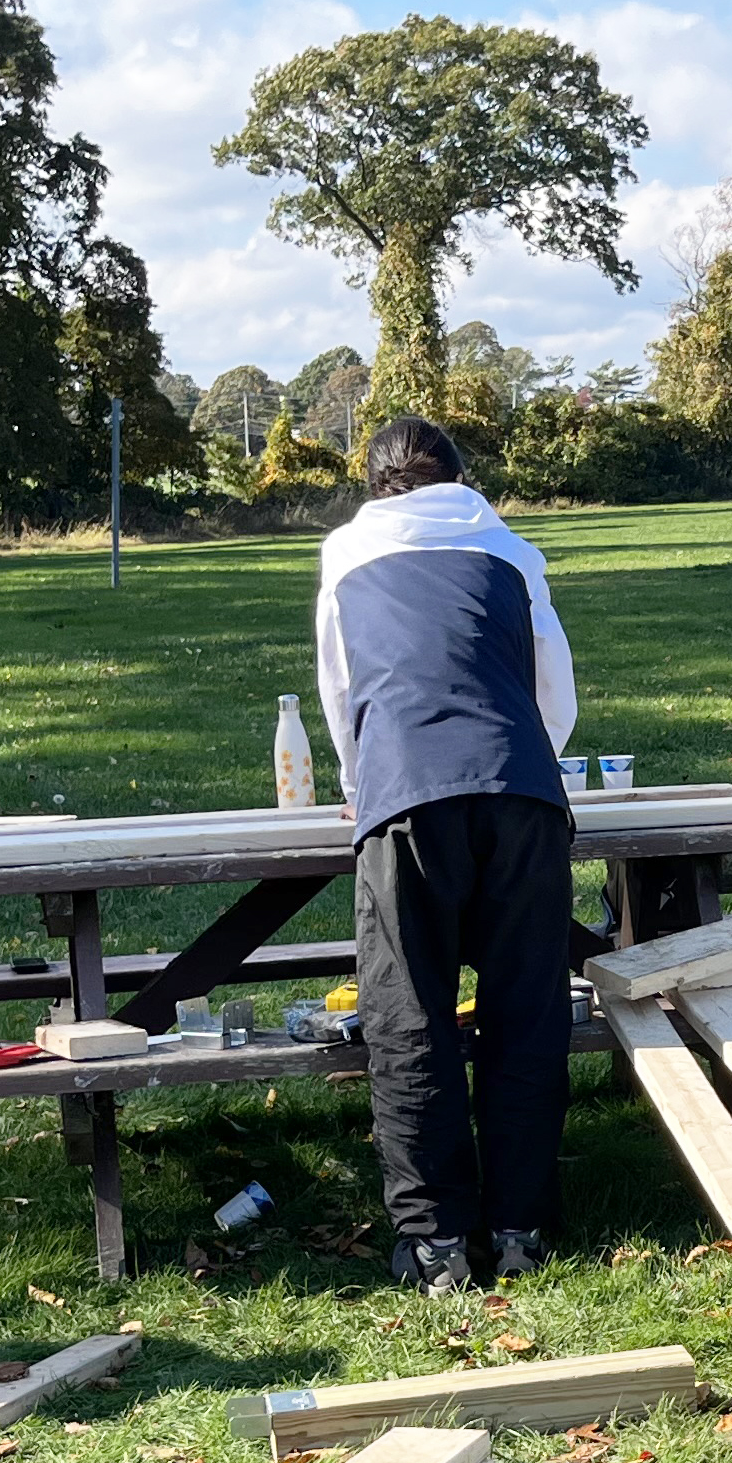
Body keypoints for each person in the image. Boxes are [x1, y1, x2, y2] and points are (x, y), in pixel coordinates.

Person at [314, 416, 580, 1297]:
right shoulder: (510, 550)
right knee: (525, 1008)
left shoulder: (345, 555)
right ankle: (521, 1225)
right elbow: (554, 689)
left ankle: (433, 1242)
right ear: (460, 476)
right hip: (521, 790)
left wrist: (364, 779)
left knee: (408, 1012)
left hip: (404, 794)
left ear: (374, 482)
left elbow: (341, 686)